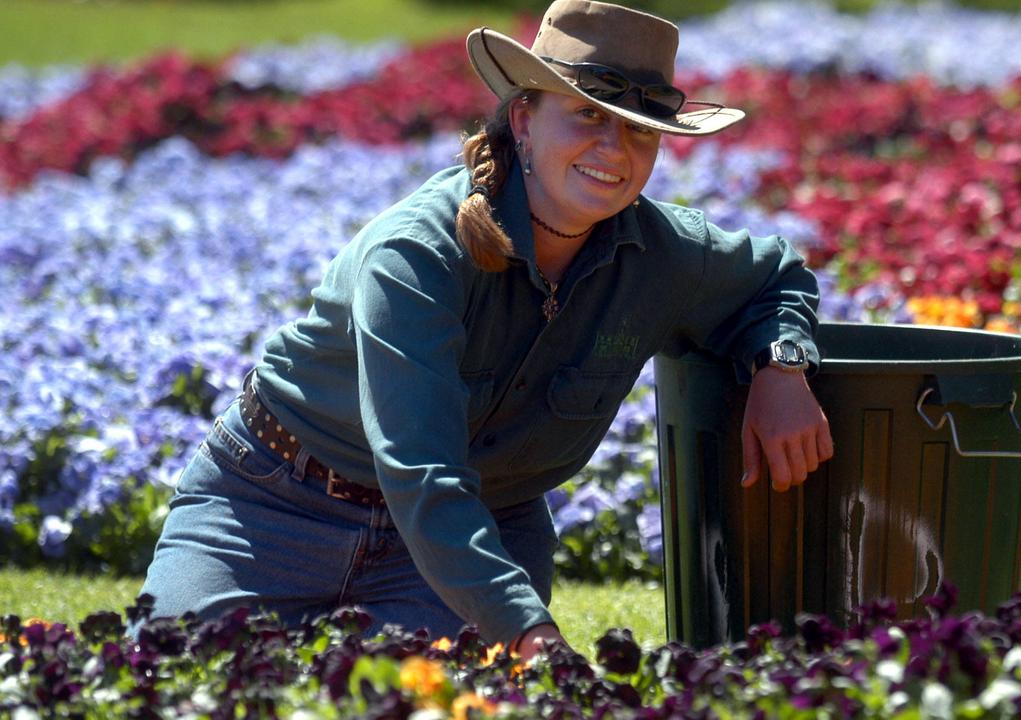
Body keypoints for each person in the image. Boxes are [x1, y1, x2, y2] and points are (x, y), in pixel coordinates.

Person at [137, 0, 833, 658]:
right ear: (524, 118)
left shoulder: (664, 254)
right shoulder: (418, 254)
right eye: (587, 116)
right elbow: (422, 471)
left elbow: (777, 277)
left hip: (482, 533)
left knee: (437, 699)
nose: (614, 149)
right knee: (175, 679)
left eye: (639, 130)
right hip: (273, 511)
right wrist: (532, 637)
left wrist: (782, 366)